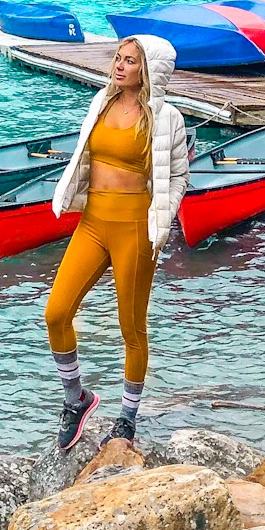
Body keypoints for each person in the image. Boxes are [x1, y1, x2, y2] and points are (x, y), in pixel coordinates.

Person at [42, 32, 188, 446]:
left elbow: (178, 176)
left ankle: (127, 418)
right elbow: (82, 160)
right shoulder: (100, 102)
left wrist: (161, 221)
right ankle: (76, 399)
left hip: (134, 229)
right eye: (118, 58)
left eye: (130, 61)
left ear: (150, 71)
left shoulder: (167, 119)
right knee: (56, 312)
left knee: (131, 328)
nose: (119, 66)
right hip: (92, 223)